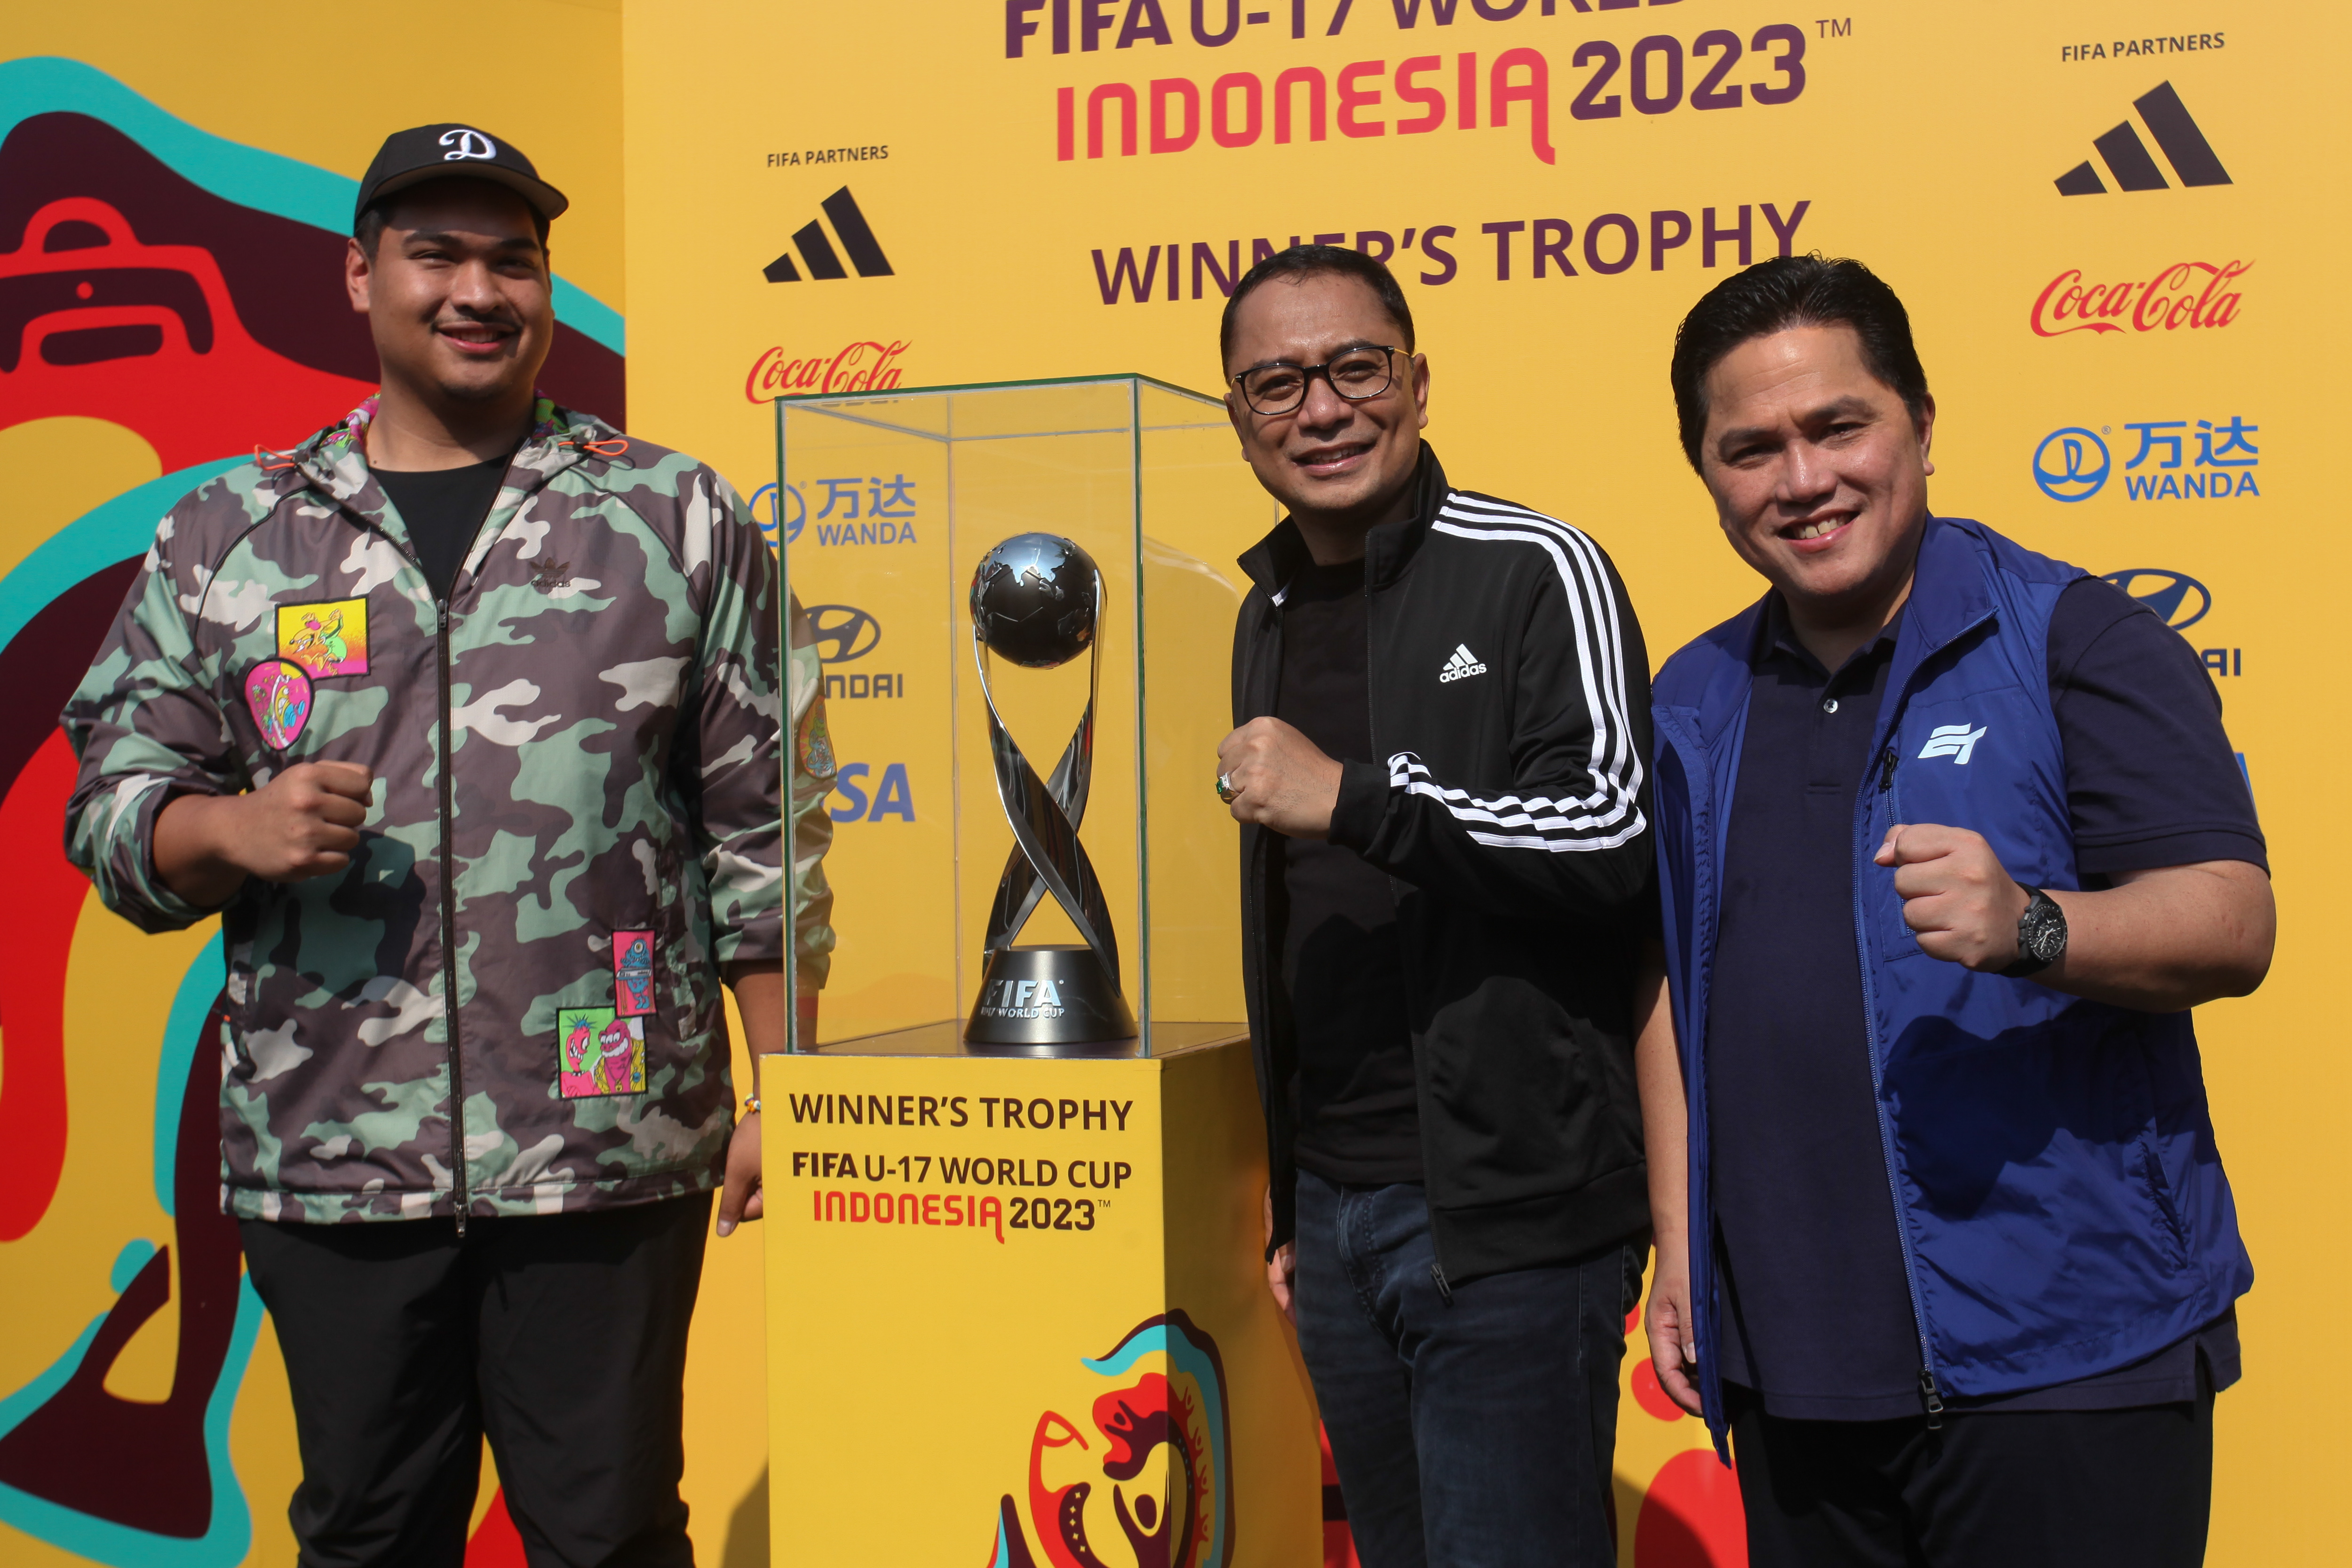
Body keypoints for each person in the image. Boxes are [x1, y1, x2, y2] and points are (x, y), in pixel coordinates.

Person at [60, 122, 834, 1567]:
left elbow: (763, 829)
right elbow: (109, 806)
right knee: (368, 1537)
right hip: (334, 1153)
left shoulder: (671, 514)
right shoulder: (237, 533)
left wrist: (783, 1085)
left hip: (609, 1149)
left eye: (514, 259)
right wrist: (225, 825)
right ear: (359, 280)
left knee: (610, 1539)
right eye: (437, 255)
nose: (480, 290)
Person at [1637, 255, 2271, 1566]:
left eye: (1839, 426)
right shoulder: (1689, 698)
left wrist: (2035, 927)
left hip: (2069, 1359)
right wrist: (1679, 1244)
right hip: (1794, 1375)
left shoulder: (2074, 637)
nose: (1802, 479)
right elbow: (1666, 986)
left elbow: (2230, 919)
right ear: (1705, 471)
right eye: (1750, 448)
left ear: (1922, 422)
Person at [1212, 244, 1654, 1568]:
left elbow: (1613, 832)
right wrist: (1298, 1205)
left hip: (1509, 1218)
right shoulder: (1260, 610)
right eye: (1276, 385)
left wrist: (1357, 796)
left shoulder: (1535, 567)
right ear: (1239, 419)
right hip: (1339, 1219)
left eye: (1355, 368)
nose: (1322, 409)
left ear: (1416, 379)